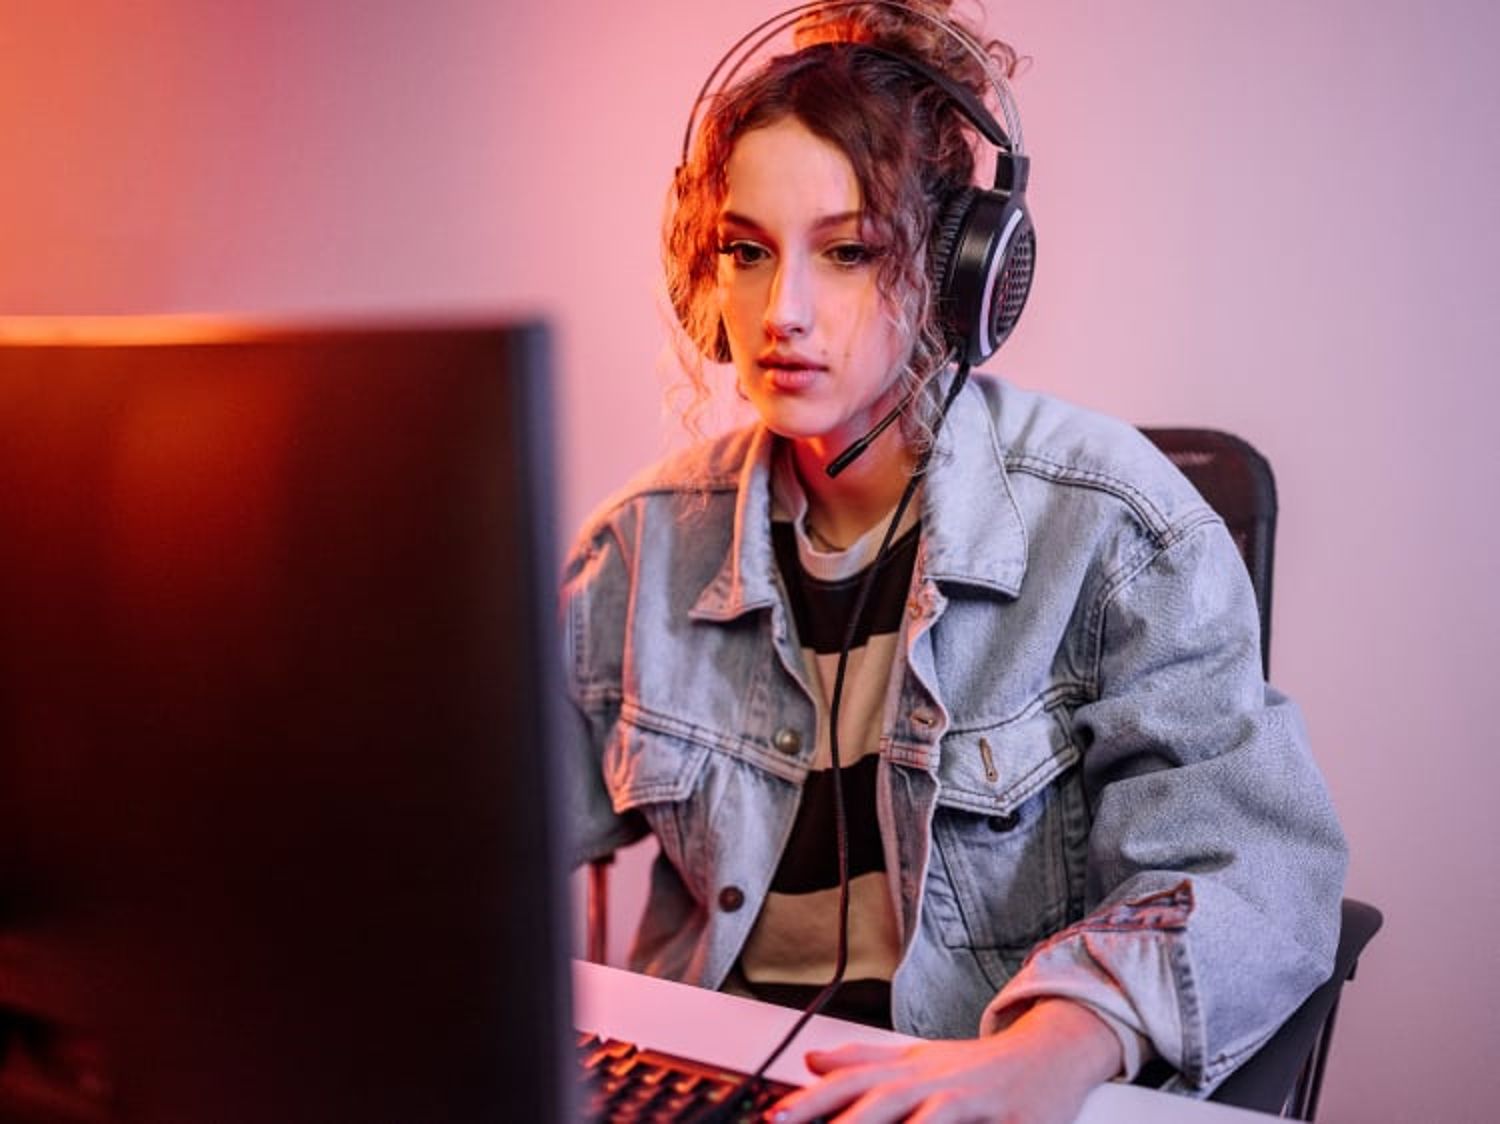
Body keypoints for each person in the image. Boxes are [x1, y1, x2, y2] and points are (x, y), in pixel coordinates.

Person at [562, 2, 1348, 1120]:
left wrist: (1057, 1048)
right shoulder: (641, 542)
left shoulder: (1116, 526)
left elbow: (1257, 873)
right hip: (710, 1085)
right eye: (746, 250)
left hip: (976, 1079)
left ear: (960, 269)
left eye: (847, 250)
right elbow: (465, 837)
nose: (779, 311)